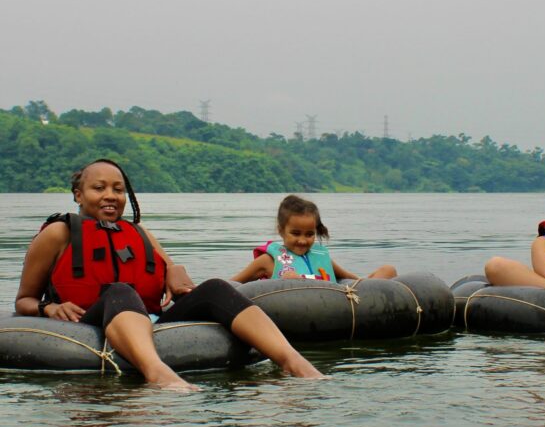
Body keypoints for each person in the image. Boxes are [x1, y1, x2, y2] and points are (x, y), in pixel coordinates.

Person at [15, 159, 325, 390]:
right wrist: (49, 307)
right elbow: (24, 300)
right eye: (99, 188)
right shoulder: (59, 234)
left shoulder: (137, 232)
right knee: (120, 290)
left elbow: (170, 267)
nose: (110, 196)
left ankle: (292, 361)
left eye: (118, 189)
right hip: (87, 321)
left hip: (145, 319)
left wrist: (176, 276)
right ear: (78, 195)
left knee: (215, 288)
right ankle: (156, 372)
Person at [231, 194, 396, 283]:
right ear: (281, 231)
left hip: (333, 308)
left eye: (309, 234)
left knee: (389, 269)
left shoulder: (320, 256)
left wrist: (369, 285)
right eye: (295, 233)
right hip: (290, 311)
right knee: (291, 279)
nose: (303, 241)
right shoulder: (267, 261)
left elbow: (351, 278)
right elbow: (231, 285)